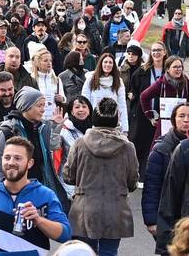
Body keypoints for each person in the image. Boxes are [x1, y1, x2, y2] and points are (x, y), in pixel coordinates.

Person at [0, 137, 72, 255]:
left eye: (18, 158)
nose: (11, 163)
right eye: (7, 157)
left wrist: (39, 221)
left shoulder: (46, 195)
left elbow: (65, 235)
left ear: (30, 163)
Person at [64, 97, 139, 255]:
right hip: (115, 209)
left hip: (84, 210)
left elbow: (69, 177)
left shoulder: (80, 144)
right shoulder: (127, 147)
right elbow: (132, 183)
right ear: (116, 118)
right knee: (109, 252)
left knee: (83, 251)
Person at [0, 86, 68, 208]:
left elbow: (54, 145)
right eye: (39, 105)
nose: (43, 109)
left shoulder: (42, 128)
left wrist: (56, 126)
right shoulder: (7, 131)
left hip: (41, 192)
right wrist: (4, 196)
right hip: (16, 195)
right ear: (26, 106)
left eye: (44, 105)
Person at [142, 102, 189, 250]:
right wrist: (151, 220)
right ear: (173, 120)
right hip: (169, 217)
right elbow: (152, 187)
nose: (186, 120)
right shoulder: (161, 149)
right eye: (182, 116)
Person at [129, 42, 168, 187]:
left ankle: (155, 176)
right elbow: (135, 91)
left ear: (164, 52)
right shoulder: (142, 71)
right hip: (143, 115)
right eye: (153, 50)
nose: (156, 53)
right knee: (140, 144)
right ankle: (138, 176)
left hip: (163, 116)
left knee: (157, 146)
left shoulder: (169, 71)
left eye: (159, 50)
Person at [81, 53, 129, 133]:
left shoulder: (118, 82)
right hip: (93, 124)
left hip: (112, 125)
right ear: (101, 63)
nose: (108, 64)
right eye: (105, 62)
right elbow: (84, 102)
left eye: (110, 62)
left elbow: (122, 106)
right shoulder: (91, 79)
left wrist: (124, 129)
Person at [58, 95, 93, 200]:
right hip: (71, 180)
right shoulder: (65, 129)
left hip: (91, 179)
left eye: (84, 106)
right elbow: (54, 145)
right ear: (72, 111)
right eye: (77, 107)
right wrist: (56, 126)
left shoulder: (95, 129)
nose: (81, 110)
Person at [30, 48, 66, 120]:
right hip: (37, 118)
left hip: (54, 118)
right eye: (45, 61)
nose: (49, 63)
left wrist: (61, 98)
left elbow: (64, 98)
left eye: (50, 60)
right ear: (37, 63)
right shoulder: (32, 79)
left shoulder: (57, 80)